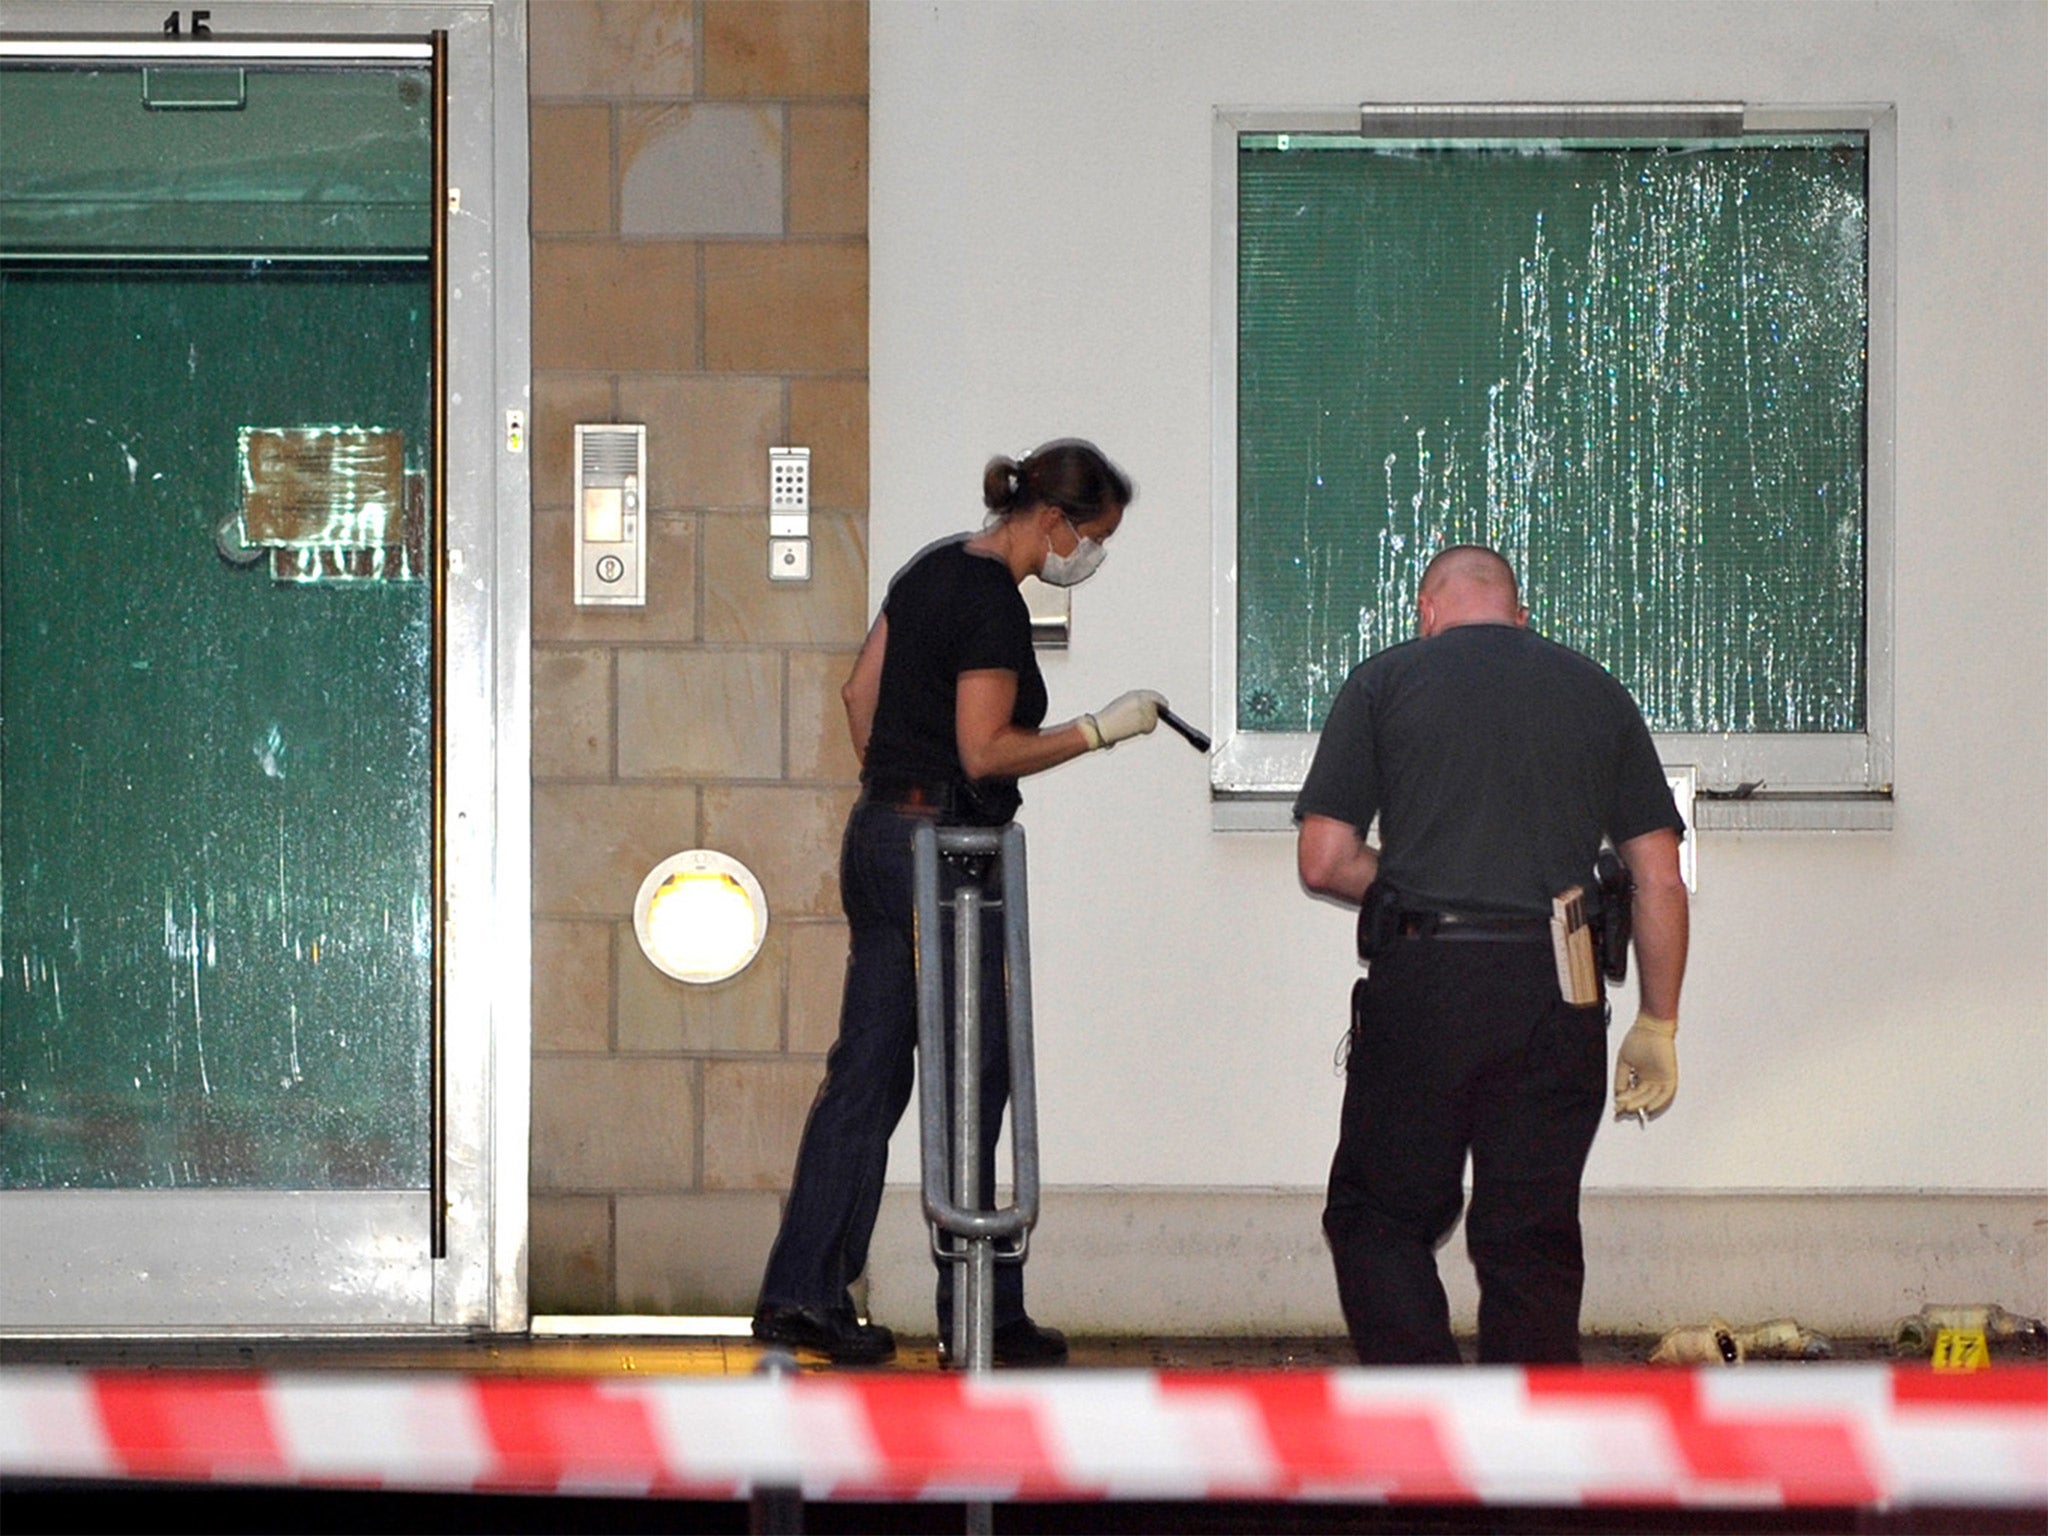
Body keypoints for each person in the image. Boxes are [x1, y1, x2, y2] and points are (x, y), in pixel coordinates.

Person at [752, 439, 1167, 1366]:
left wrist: (902, 785)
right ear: (1053, 522)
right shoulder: (990, 604)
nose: (1089, 558)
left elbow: (860, 695)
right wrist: (1096, 731)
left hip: (880, 839)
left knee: (869, 1071)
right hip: (945, 854)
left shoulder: (932, 568)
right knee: (976, 1073)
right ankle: (983, 1314)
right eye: (1093, 537)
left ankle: (803, 1296)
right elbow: (985, 751)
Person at [1293, 544, 1689, 1365]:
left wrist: (1406, 890)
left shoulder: (1384, 681)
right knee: (1531, 1237)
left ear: (1426, 610)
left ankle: (1426, 1428)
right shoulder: (1594, 690)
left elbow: (1324, 860)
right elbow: (1658, 879)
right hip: (1562, 976)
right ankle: (1527, 1466)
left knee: (1379, 1216)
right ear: (1520, 615)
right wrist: (1658, 1020)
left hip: (1425, 979)